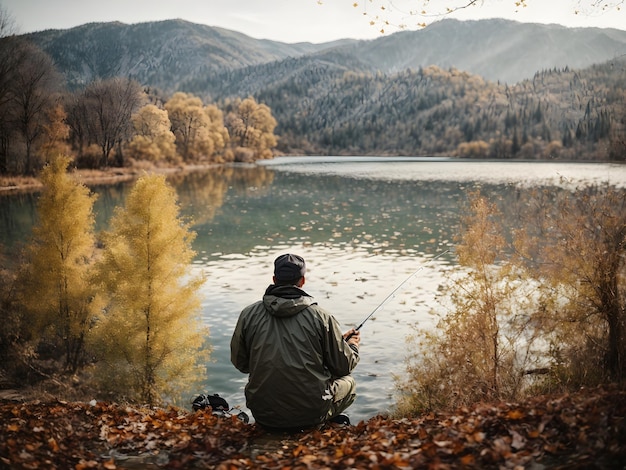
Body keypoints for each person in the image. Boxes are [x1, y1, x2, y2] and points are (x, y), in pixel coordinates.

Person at [230, 253, 360, 431]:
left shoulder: (248, 314)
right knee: (349, 382)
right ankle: (324, 422)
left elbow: (241, 364)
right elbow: (343, 367)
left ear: (274, 279)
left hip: (263, 413)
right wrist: (351, 346)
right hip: (310, 414)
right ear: (302, 281)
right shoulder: (321, 317)